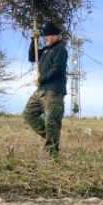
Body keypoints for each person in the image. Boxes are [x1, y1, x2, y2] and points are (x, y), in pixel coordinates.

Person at [23, 21, 68, 158]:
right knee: (28, 113)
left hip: (53, 91)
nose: (46, 38)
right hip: (41, 91)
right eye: (44, 36)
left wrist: (41, 79)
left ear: (56, 36)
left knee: (52, 121)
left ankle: (52, 154)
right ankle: (51, 134)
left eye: (48, 35)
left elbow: (57, 69)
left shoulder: (60, 49)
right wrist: (33, 40)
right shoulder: (46, 50)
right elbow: (32, 57)